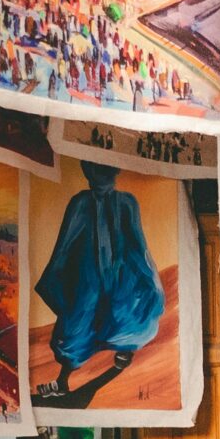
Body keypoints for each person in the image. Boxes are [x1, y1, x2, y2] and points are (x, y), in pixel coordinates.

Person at [35, 161, 165, 398]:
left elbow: (139, 244)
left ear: (115, 170)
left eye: (105, 169)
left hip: (121, 278)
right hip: (88, 282)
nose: (99, 175)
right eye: (94, 169)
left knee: (131, 315)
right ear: (86, 171)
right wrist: (56, 282)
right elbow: (64, 247)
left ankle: (123, 358)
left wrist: (150, 280)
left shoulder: (127, 203)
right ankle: (62, 381)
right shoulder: (80, 203)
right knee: (75, 332)